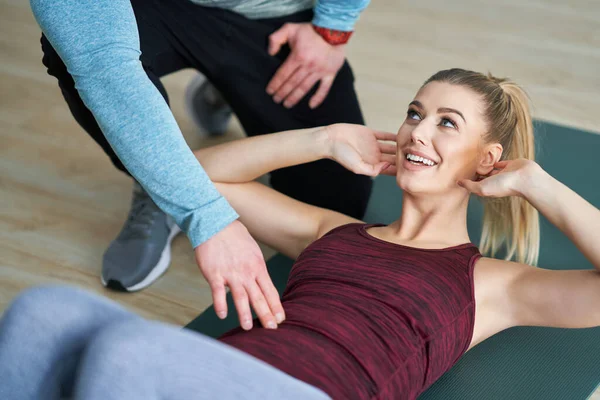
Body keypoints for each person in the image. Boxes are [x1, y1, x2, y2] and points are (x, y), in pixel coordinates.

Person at [2, 68, 599, 399]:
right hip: (217, 371)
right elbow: (191, 179)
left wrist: (536, 184)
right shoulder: (330, 232)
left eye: (448, 123)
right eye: (415, 113)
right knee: (43, 311)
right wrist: (317, 139)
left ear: (487, 157)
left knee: (129, 354)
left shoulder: (488, 284)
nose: (419, 133)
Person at [31, 0, 372, 301]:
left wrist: (332, 28)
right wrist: (205, 216)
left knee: (335, 205)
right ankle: (159, 184)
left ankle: (227, 85)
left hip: (274, 16)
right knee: (69, 48)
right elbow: (100, 63)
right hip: (150, 9)